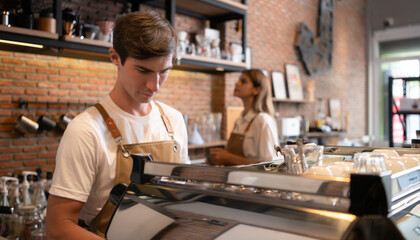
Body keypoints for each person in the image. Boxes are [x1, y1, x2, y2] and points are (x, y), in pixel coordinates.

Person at [46, 11, 190, 239]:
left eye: (164, 71)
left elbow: (182, 198)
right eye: (143, 70)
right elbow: (58, 226)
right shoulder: (85, 129)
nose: (155, 86)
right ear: (115, 57)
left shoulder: (173, 120)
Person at [209, 69, 280, 166]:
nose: (237, 83)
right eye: (239, 80)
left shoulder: (263, 121)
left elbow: (271, 165)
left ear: (256, 90)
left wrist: (229, 158)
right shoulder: (240, 120)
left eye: (243, 81)